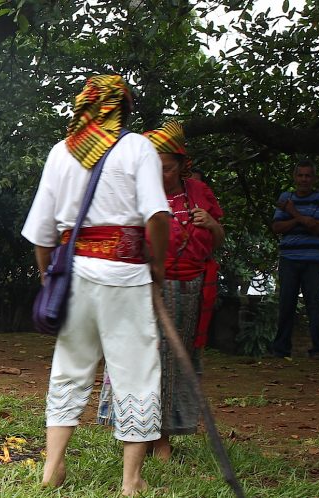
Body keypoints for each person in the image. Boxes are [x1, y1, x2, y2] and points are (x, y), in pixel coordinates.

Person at [22, 75, 169, 496]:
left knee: (69, 368)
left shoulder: (61, 152)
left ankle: (52, 468)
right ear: (121, 108)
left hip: (74, 276)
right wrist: (157, 267)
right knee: (136, 372)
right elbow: (157, 216)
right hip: (124, 275)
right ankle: (131, 480)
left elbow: (42, 234)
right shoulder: (137, 147)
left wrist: (49, 277)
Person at [96, 121, 223, 462]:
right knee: (141, 360)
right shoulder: (134, 192)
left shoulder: (199, 192)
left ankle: (163, 436)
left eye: (166, 167)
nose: (160, 174)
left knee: (173, 362)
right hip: (142, 287)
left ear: (182, 165)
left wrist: (211, 224)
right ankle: (138, 434)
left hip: (187, 290)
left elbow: (217, 241)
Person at [270, 160, 319, 360]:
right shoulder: (285, 197)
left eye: (308, 175)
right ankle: (281, 349)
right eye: (300, 175)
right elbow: (277, 227)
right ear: (294, 177)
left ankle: (317, 349)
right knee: (286, 304)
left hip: (312, 259)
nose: (304, 179)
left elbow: (317, 228)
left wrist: (293, 213)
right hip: (288, 258)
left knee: (314, 305)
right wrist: (302, 219)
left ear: (314, 178)